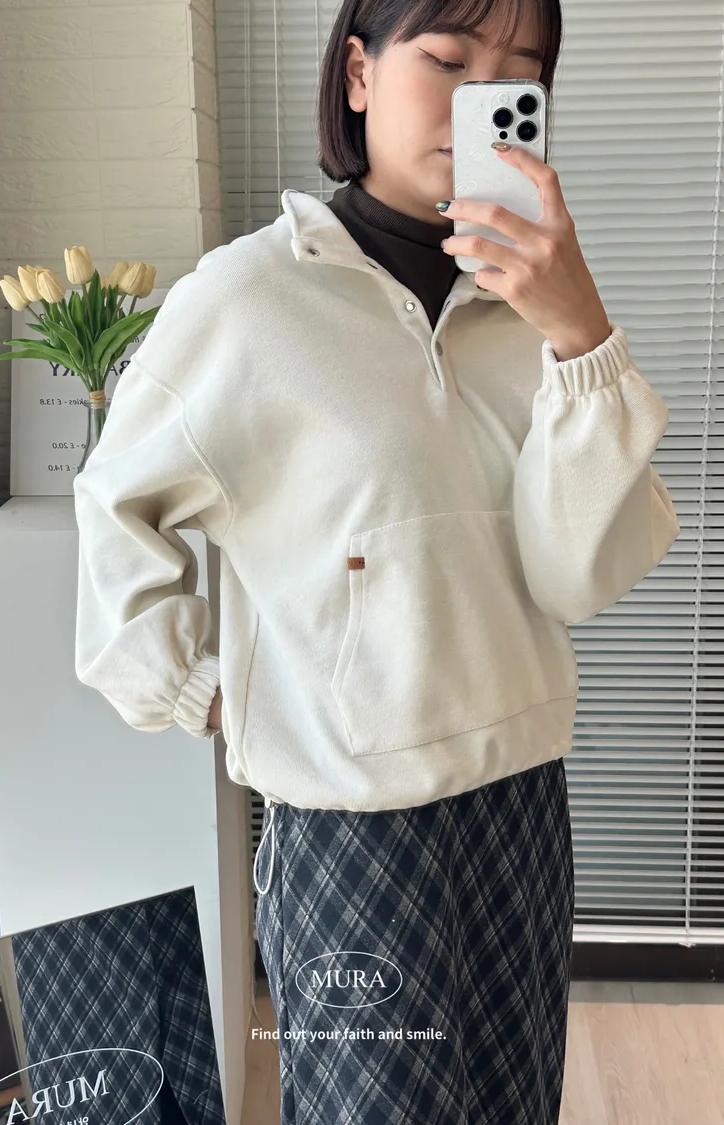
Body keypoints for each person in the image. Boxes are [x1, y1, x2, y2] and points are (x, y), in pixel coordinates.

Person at [72, 0, 681, 1121]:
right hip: (354, 836)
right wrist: (203, 689)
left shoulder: (534, 312)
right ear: (358, 74)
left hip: (522, 805)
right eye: (447, 60)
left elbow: (579, 578)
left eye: (518, 73)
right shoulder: (250, 301)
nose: (480, 99)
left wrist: (579, 334)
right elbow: (116, 505)